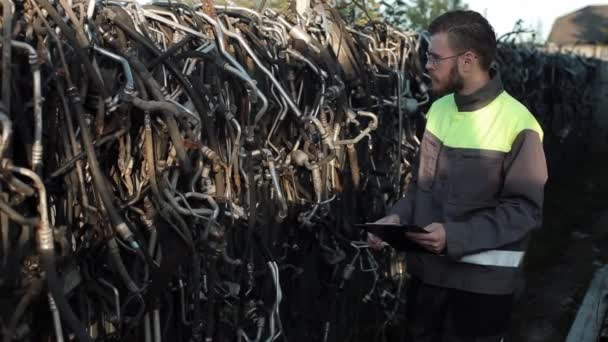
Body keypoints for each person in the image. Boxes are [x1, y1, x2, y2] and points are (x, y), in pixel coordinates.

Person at [370, 10, 548, 342]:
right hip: (427, 280)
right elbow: (421, 187)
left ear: (467, 60)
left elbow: (524, 211)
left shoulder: (519, 123)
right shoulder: (439, 110)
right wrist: (397, 217)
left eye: (435, 57)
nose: (427, 65)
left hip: (482, 290)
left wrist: (454, 237)